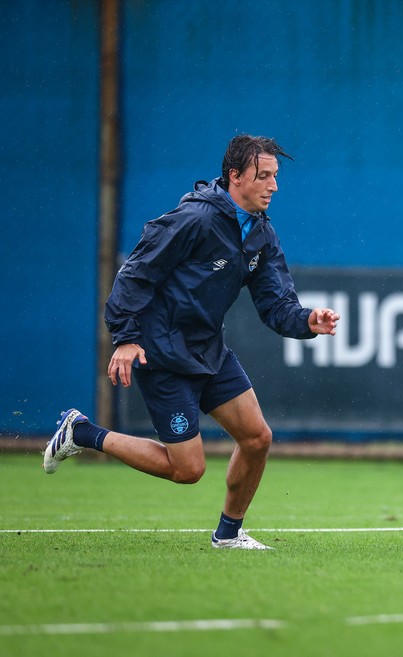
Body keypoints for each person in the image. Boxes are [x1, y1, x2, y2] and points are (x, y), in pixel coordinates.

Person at [43, 134, 340, 550]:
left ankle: (229, 535)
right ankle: (81, 432)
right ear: (235, 177)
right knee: (188, 470)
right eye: (264, 176)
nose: (274, 186)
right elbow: (135, 274)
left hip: (209, 351)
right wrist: (126, 338)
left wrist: (308, 320)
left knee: (257, 438)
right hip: (162, 353)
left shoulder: (261, 235)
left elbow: (276, 306)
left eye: (276, 176)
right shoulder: (195, 219)